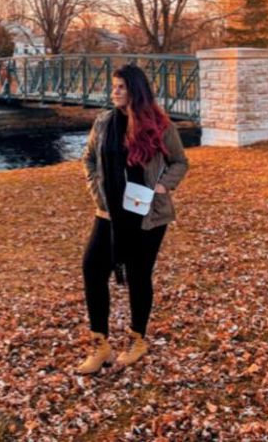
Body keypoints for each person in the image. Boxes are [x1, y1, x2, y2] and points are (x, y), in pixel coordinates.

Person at [77, 63, 188, 374]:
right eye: (114, 86)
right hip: (109, 211)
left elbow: (180, 161)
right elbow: (87, 159)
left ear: (136, 91)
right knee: (92, 269)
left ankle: (138, 339)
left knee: (139, 275)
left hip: (147, 215)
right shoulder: (103, 123)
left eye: (121, 87)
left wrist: (164, 185)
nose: (115, 91)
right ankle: (100, 344)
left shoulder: (161, 126)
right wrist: (96, 190)